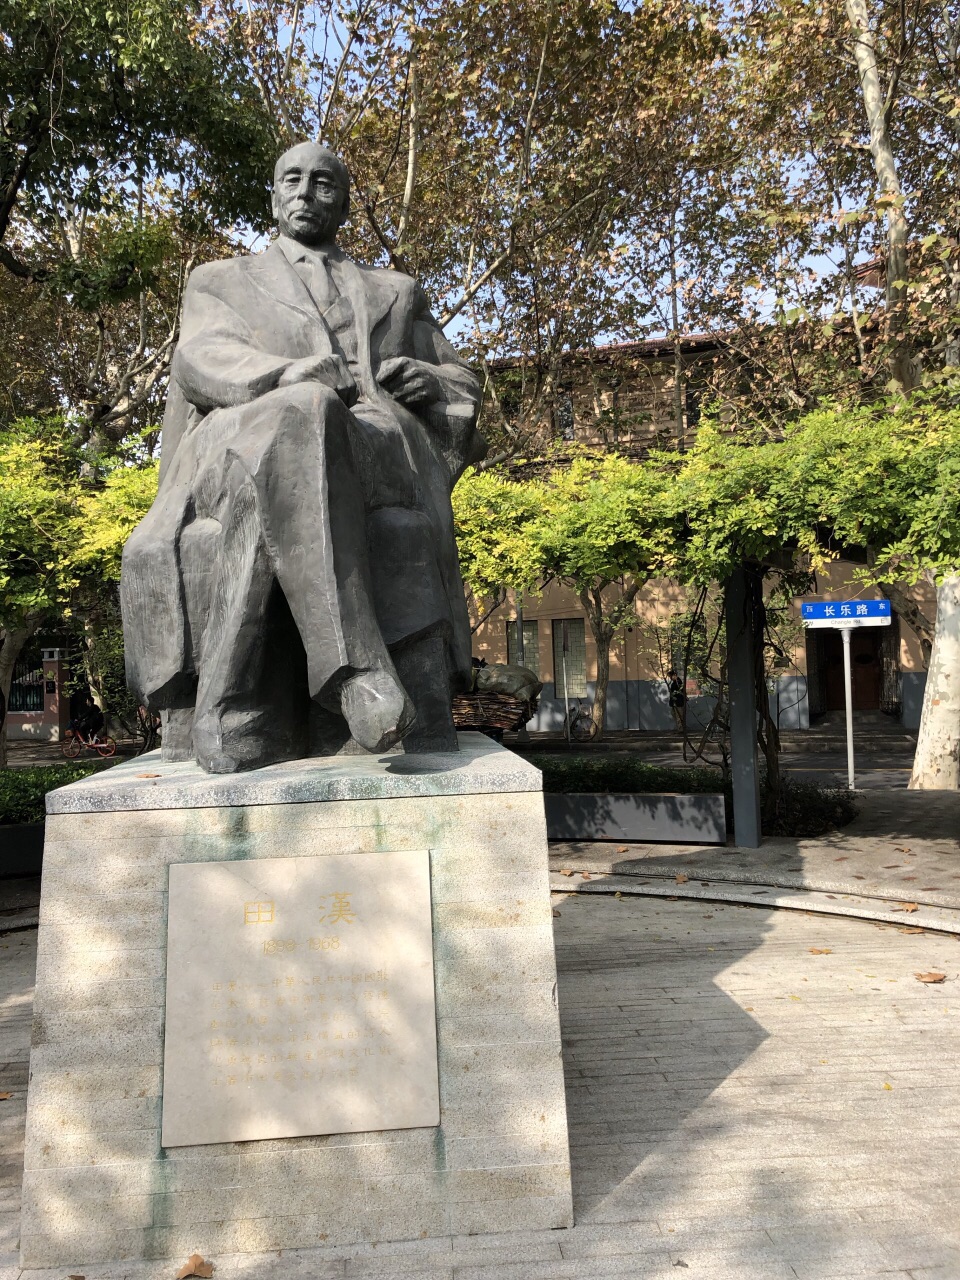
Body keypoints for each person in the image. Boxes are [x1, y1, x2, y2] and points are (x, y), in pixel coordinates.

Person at [121, 143, 485, 773]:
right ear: (272, 197)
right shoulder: (220, 280)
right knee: (305, 409)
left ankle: (231, 704)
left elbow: (462, 381)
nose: (306, 192)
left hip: (371, 451)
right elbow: (201, 358)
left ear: (342, 203)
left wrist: (430, 380)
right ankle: (353, 671)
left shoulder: (396, 292)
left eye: (323, 183)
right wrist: (285, 374)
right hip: (238, 444)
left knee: (310, 419)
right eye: (292, 179)